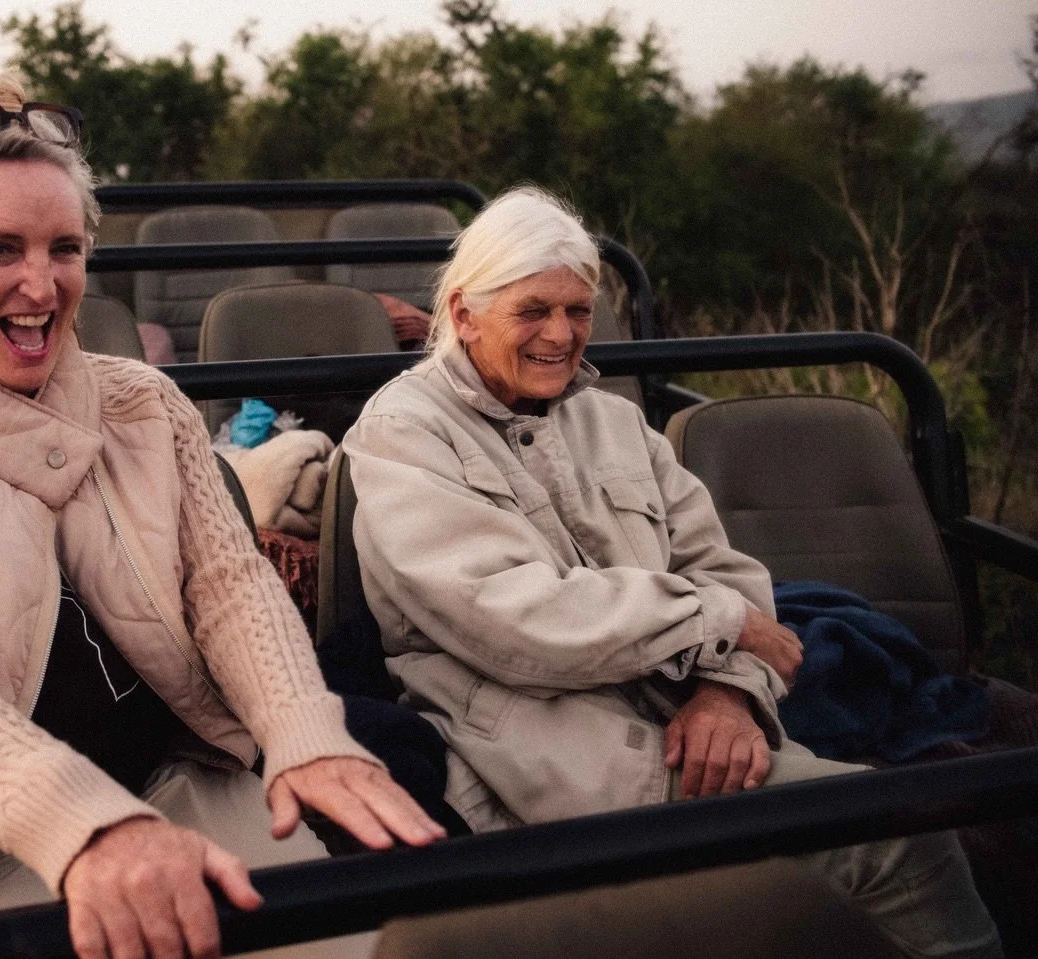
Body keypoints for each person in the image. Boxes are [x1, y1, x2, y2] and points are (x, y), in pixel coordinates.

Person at [0, 74, 442, 959]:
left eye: (65, 249)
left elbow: (231, 587)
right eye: (1, 250)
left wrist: (302, 730)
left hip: (171, 767)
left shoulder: (148, 406)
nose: (41, 285)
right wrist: (89, 827)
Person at [342, 185, 1002, 958]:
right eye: (534, 311)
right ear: (463, 314)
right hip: (551, 749)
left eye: (578, 310)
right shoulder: (402, 432)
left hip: (690, 723)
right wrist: (716, 629)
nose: (562, 334)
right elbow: (513, 614)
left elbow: (724, 570)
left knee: (908, 828)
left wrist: (731, 691)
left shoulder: (615, 421)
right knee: (899, 842)